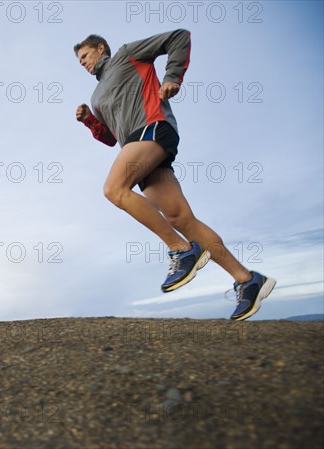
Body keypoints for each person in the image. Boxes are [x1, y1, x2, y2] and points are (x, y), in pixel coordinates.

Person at [74, 29, 276, 320]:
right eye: (79, 62)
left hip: (153, 129)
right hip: (136, 147)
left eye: (85, 56)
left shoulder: (127, 54)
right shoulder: (96, 96)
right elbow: (110, 137)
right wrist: (89, 121)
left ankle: (180, 250)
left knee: (114, 189)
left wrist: (172, 77)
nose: (83, 63)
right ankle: (248, 280)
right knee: (182, 219)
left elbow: (178, 37)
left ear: (100, 48)